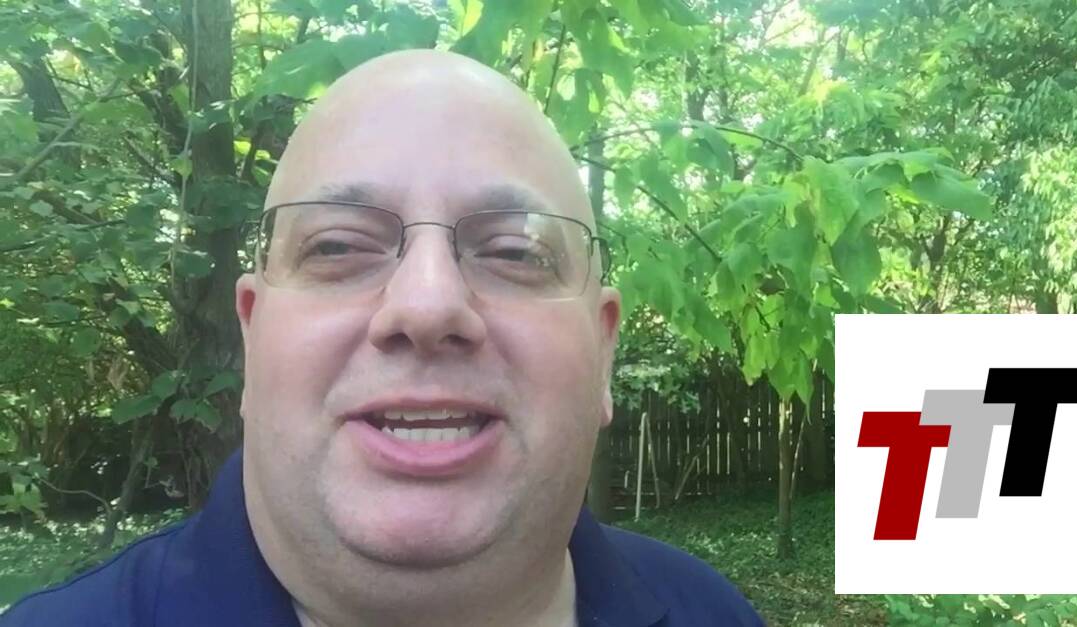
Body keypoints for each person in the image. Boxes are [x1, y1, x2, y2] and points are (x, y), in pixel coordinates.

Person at [1, 50, 764, 627]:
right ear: (252, 336)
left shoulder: (713, 611)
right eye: (336, 246)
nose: (427, 305)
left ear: (602, 353)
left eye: (513, 252)